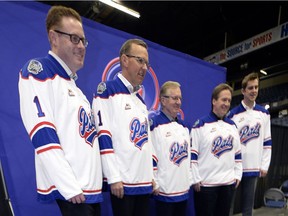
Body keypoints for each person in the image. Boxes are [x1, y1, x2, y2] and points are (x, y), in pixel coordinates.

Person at [18, 5, 103, 216]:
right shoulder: (37, 72)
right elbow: (42, 134)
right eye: (75, 39)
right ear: (54, 38)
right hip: (73, 193)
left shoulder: (76, 89)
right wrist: (69, 187)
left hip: (89, 191)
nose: (82, 46)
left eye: (83, 40)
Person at [92, 39, 154, 216]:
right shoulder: (106, 91)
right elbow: (103, 136)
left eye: (146, 63)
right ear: (125, 60)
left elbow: (145, 144)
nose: (144, 68)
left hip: (143, 183)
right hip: (123, 183)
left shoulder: (140, 101)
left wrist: (151, 177)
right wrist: (113, 177)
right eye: (140, 60)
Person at [190, 83, 242, 216]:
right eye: (223, 100)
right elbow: (192, 156)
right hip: (207, 186)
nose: (226, 103)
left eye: (229, 100)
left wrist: (237, 175)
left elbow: (238, 155)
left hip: (227, 184)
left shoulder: (233, 126)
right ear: (214, 101)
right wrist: (195, 179)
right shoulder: (200, 125)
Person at [227, 72, 272, 216]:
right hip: (234, 169)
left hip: (253, 167)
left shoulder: (264, 114)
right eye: (250, 88)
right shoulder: (233, 114)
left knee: (248, 209)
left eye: (256, 87)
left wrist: (264, 165)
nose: (254, 91)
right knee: (229, 206)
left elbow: (267, 142)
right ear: (243, 91)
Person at [149, 81, 192, 216]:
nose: (178, 102)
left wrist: (189, 179)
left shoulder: (184, 127)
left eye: (180, 98)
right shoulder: (154, 125)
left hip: (183, 191)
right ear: (163, 100)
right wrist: (155, 181)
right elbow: (150, 156)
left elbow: (188, 158)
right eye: (174, 98)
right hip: (164, 192)